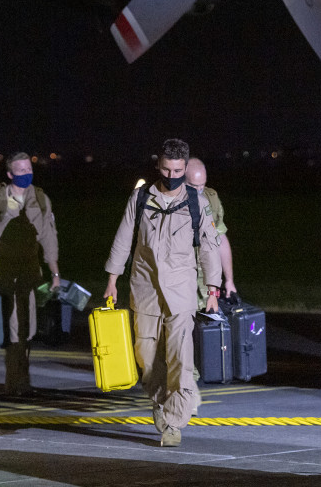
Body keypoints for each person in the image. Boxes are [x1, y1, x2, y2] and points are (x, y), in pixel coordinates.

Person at [103, 139, 222, 447]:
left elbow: (210, 246)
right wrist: (112, 279)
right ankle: (159, 402)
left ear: (185, 168)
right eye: (167, 168)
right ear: (158, 165)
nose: (172, 175)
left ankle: (173, 422)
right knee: (146, 358)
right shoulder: (140, 198)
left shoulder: (198, 201)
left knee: (181, 362)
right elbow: (123, 237)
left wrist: (213, 288)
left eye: (178, 170)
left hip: (181, 293)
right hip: (144, 290)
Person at [0, 151, 60, 397]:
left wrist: (55, 273)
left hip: (30, 272)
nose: (26, 174)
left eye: (28, 169)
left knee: (28, 327)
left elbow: (49, 237)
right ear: (10, 174)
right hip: (3, 273)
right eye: (20, 171)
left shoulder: (41, 199)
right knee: (14, 328)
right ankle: (16, 384)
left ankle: (22, 380)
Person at [185, 157, 237, 309]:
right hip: (179, 287)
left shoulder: (211, 199)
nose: (199, 191)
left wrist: (229, 280)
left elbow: (220, 237)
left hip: (205, 286)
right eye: (194, 186)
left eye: (202, 185)